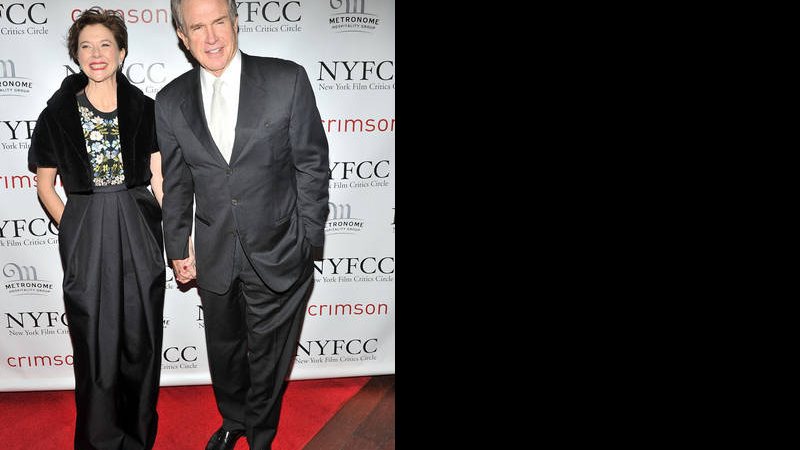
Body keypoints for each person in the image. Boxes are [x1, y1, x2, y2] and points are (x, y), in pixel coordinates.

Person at [156, 0, 330, 449]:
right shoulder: (171, 100)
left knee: (269, 356)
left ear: (235, 22)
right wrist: (177, 245)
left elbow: (312, 164)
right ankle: (233, 419)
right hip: (214, 252)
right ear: (182, 35)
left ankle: (260, 434)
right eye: (198, 27)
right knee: (225, 350)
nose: (211, 37)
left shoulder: (285, 79)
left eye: (219, 22)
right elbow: (176, 183)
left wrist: (308, 238)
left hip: (279, 248)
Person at [26, 7, 170, 450]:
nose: (96, 53)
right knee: (93, 340)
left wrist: (171, 235)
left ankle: (137, 436)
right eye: (85, 46)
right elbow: (46, 187)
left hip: (138, 226)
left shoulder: (146, 110)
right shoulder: (57, 115)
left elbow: (160, 179)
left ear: (122, 51)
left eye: (105, 44)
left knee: (140, 337)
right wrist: (75, 227)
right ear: (76, 56)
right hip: (88, 226)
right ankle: (99, 440)